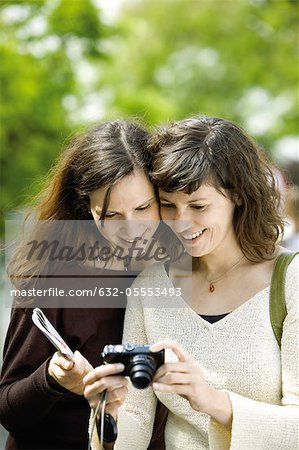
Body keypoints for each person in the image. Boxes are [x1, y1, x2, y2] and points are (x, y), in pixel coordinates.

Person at [84, 116, 298, 449]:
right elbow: (137, 419)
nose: (182, 222)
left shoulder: (290, 280)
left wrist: (214, 401)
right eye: (168, 206)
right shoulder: (150, 285)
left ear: (238, 195)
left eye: (198, 206)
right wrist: (106, 416)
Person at [0, 119, 169, 450]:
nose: (133, 230)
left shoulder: (176, 268)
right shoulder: (55, 277)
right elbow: (8, 409)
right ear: (86, 208)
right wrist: (51, 377)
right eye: (111, 215)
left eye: (143, 207)